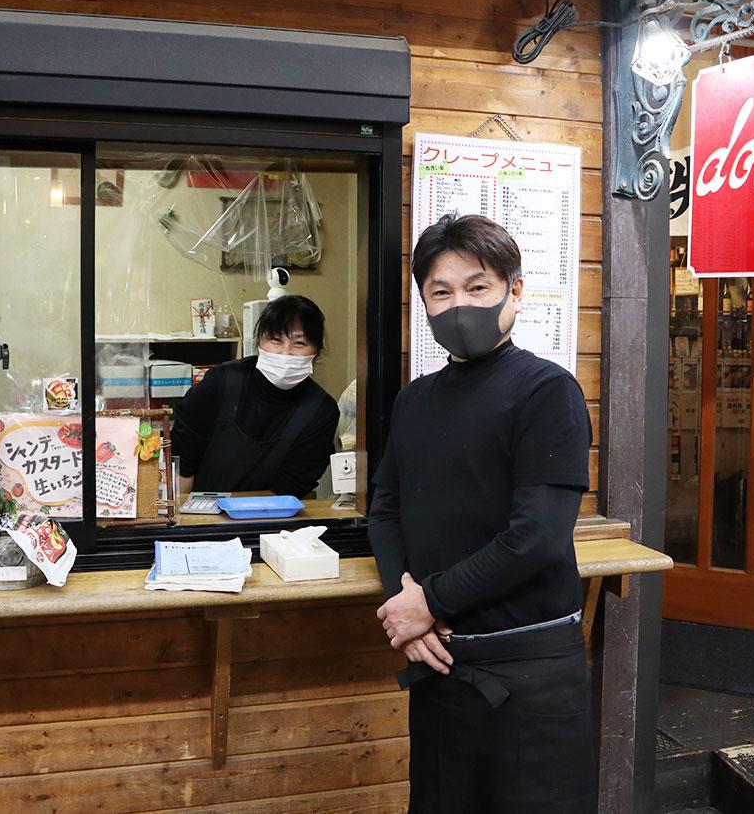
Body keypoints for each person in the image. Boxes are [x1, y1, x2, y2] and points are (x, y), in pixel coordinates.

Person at [368, 214, 595, 813]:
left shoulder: (546, 391)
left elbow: (538, 537)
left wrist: (429, 602)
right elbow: (385, 509)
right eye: (440, 293)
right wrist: (405, 606)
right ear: (423, 302)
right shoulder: (414, 400)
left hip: (531, 675)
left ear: (514, 291)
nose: (458, 305)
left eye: (478, 287)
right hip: (440, 667)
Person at [171, 294, 339, 498]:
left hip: (272, 515)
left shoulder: (321, 411)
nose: (285, 353)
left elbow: (294, 485)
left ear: (317, 352)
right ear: (259, 341)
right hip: (201, 510)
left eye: (299, 343)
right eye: (276, 340)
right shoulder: (223, 381)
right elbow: (184, 451)